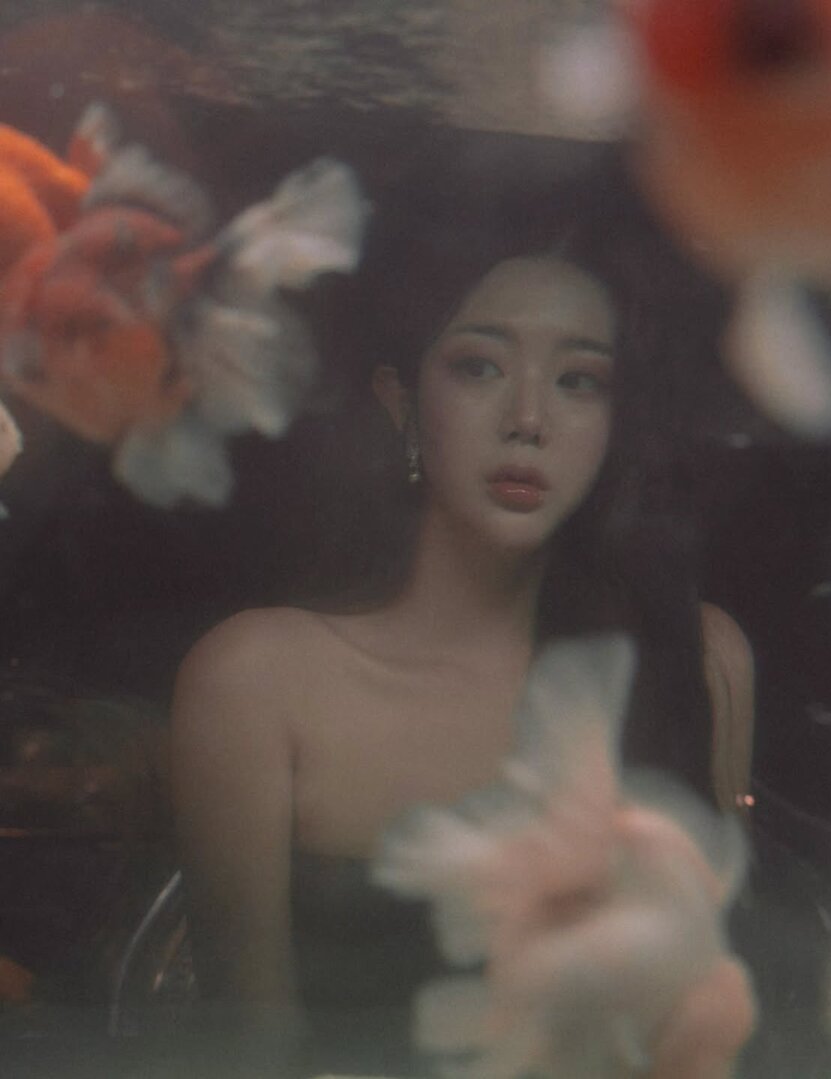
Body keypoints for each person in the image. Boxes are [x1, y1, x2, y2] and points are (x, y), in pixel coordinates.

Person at [170, 189, 755, 1077]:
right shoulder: (259, 682)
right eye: (479, 367)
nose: (529, 418)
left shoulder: (698, 659)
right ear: (403, 401)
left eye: (579, 380)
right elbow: (248, 1049)